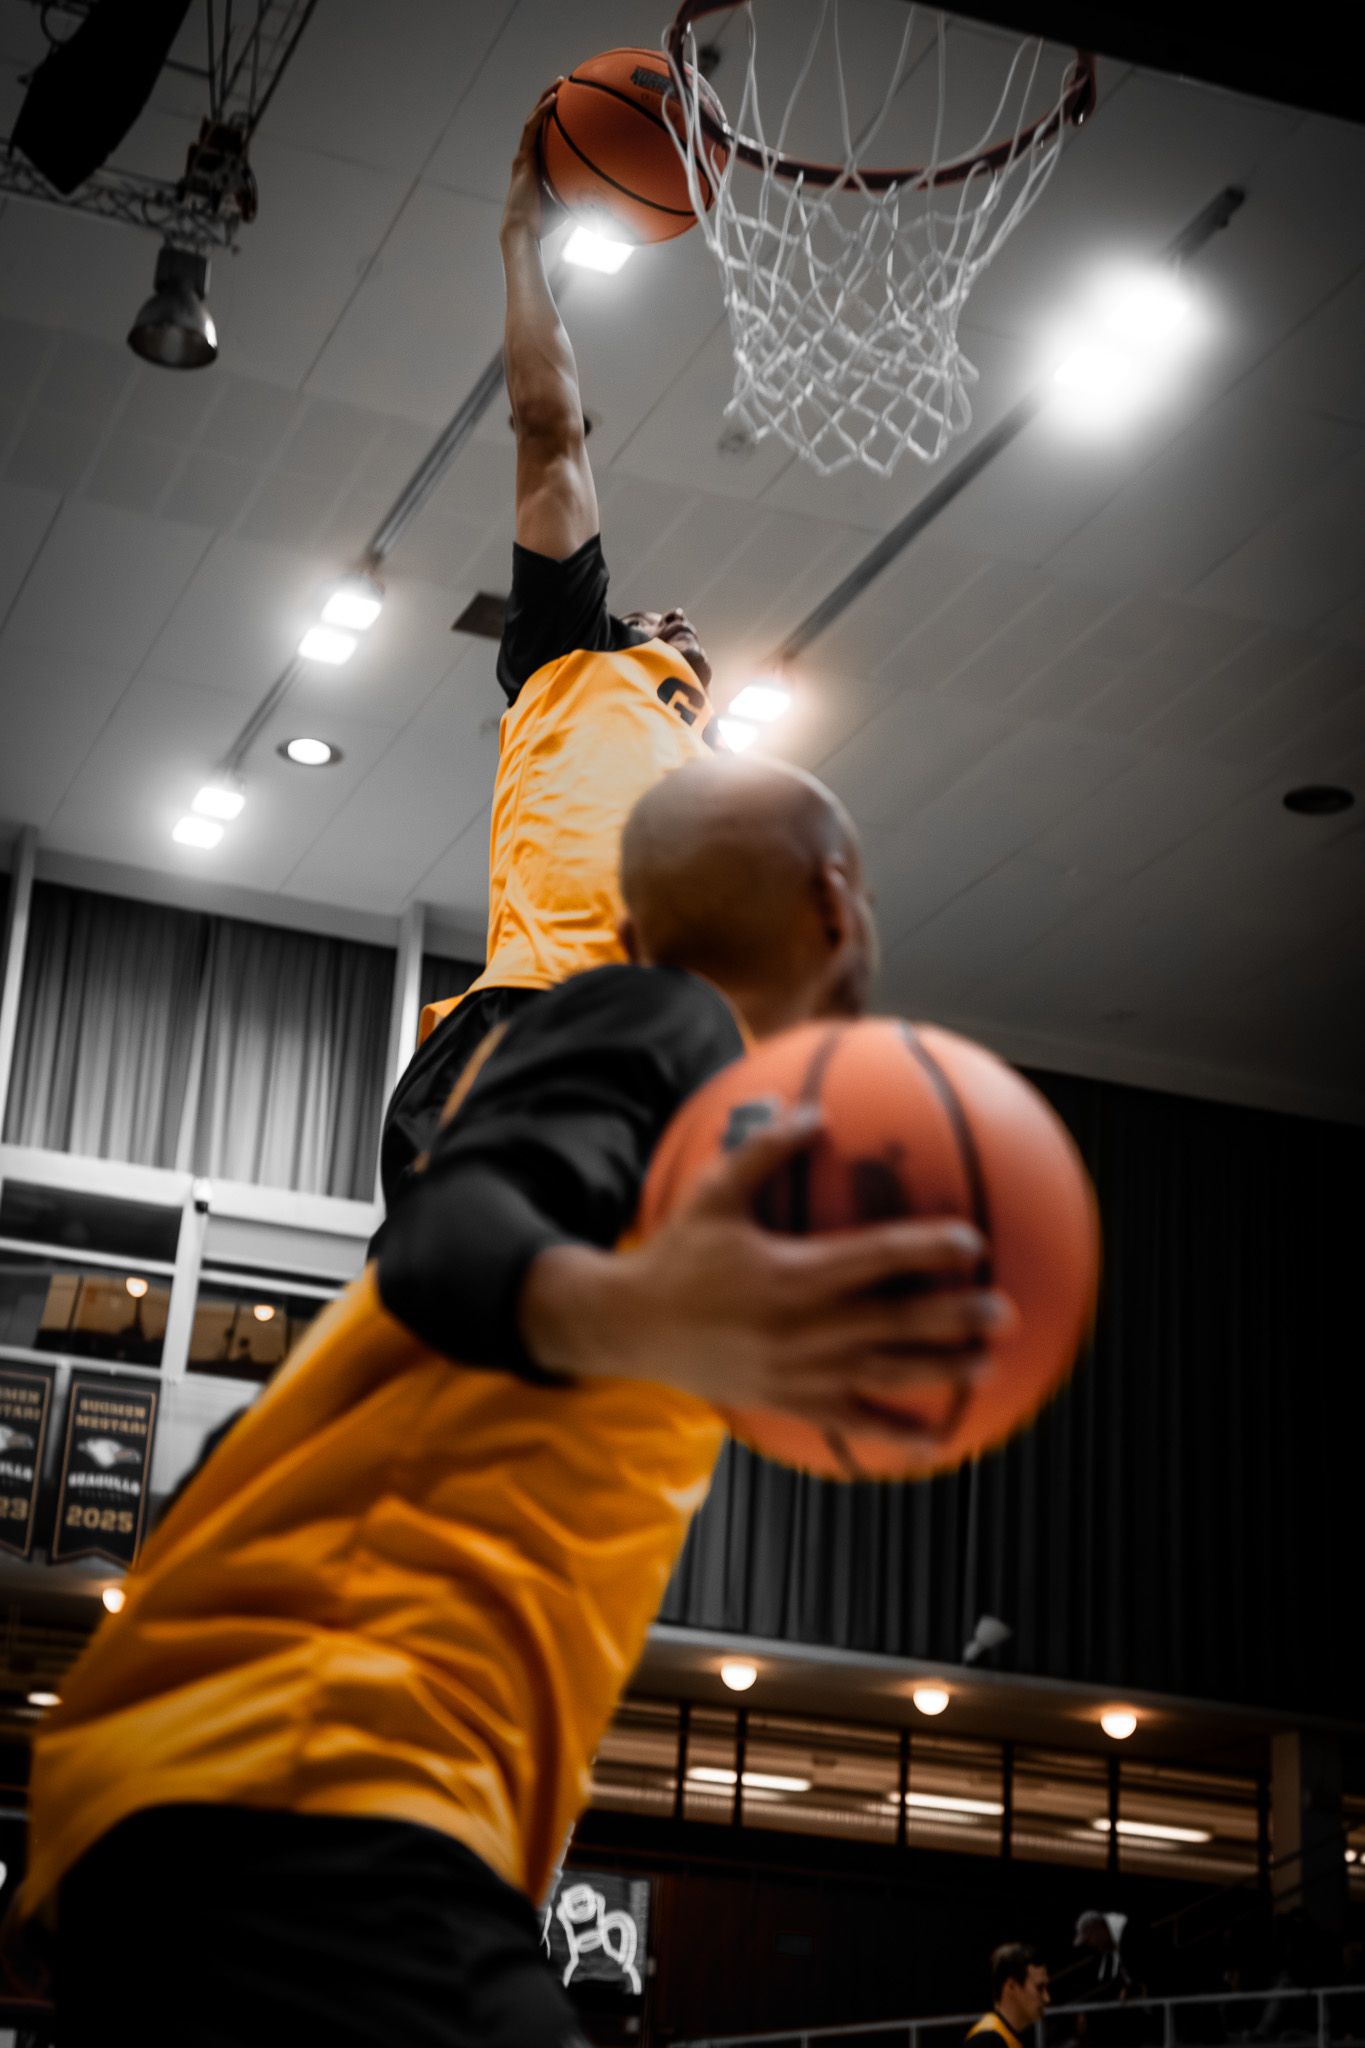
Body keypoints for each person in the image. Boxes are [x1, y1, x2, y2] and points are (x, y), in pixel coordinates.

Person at [8, 752, 1015, 2048]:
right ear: (836, 898)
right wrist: (631, 1306)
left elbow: (254, 1454)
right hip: (317, 1779)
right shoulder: (676, 1027)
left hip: (209, 1784)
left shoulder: (658, 1107)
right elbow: (455, 1249)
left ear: (630, 920)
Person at [377, 82, 724, 1229]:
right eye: (663, 616)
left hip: (651, 1072)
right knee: (456, 1318)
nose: (683, 619)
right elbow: (550, 430)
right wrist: (521, 237)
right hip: (526, 1030)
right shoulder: (572, 648)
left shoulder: (716, 793)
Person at [969, 1943, 1052, 2048]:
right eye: (1039, 1988)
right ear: (1011, 1986)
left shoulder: (1007, 2037)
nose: (1047, 1998)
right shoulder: (986, 2041)